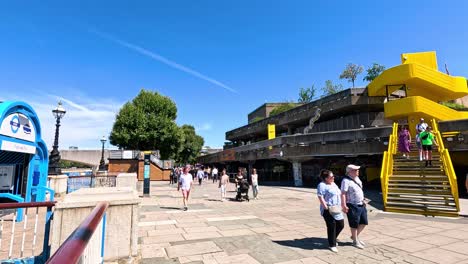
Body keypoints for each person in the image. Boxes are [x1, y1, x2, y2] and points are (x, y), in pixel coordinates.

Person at [317, 169, 344, 253]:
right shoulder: (322, 185)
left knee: (341, 224)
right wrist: (325, 207)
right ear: (326, 178)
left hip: (337, 207)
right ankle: (332, 244)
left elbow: (339, 194)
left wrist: (343, 204)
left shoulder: (333, 184)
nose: (333, 178)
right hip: (328, 208)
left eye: (333, 176)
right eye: (331, 177)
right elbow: (320, 196)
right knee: (332, 226)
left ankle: (333, 238)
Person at [341, 164, 367, 249]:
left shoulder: (357, 178)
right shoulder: (345, 181)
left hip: (361, 203)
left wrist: (363, 199)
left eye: (357, 170)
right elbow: (343, 193)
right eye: (355, 170)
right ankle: (355, 241)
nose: (358, 171)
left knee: (363, 222)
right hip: (352, 205)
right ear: (349, 172)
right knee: (354, 224)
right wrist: (344, 205)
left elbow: (359, 190)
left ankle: (354, 237)